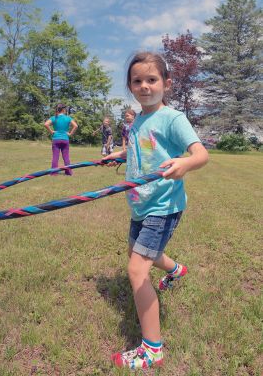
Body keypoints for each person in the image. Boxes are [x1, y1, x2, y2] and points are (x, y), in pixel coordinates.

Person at [103, 51, 209, 370]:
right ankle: (176, 270)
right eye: (137, 81)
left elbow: (201, 154)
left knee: (137, 270)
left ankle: (152, 349)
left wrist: (185, 163)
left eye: (152, 79)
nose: (145, 86)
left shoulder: (172, 118)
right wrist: (119, 155)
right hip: (141, 203)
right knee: (140, 251)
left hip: (163, 205)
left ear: (167, 83)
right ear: (130, 86)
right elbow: (139, 148)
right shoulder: (138, 120)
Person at [44, 103, 78, 176]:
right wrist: (70, 134)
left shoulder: (54, 117)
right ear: (63, 109)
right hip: (65, 139)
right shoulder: (68, 118)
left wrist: (51, 132)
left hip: (56, 139)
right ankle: (68, 172)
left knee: (55, 157)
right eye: (65, 109)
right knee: (66, 157)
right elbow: (75, 126)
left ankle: (53, 173)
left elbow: (46, 124)